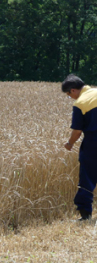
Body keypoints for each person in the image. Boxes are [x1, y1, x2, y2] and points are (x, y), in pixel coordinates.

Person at [62, 74, 97, 221]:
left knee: (87, 177)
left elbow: (77, 131)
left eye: (68, 94)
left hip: (93, 142)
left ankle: (85, 213)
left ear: (73, 90)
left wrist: (70, 144)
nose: (70, 98)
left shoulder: (80, 103)